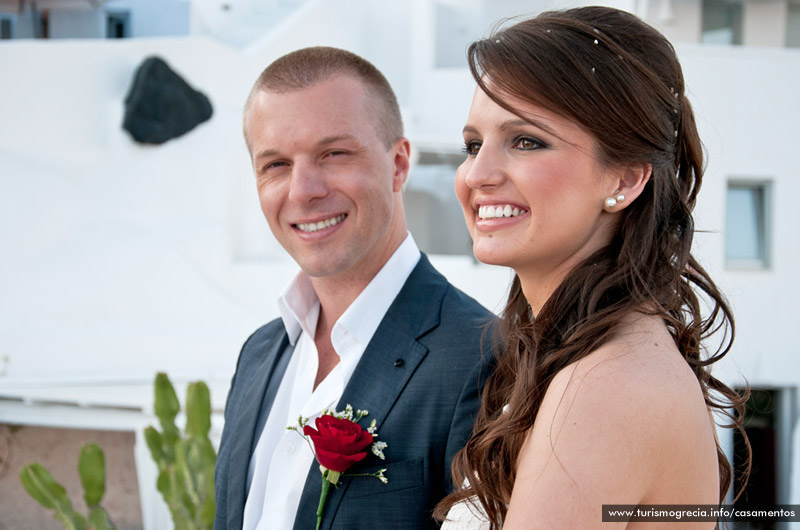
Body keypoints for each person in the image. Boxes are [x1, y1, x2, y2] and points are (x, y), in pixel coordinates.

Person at [435, 7, 748, 529]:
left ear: (624, 179)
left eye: (526, 141)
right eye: (473, 145)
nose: (476, 174)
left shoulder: (606, 385)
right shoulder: (584, 359)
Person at [213, 46, 494, 530]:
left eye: (334, 153)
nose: (303, 190)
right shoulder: (259, 353)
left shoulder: (481, 357)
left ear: (399, 164)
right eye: (276, 164)